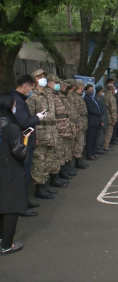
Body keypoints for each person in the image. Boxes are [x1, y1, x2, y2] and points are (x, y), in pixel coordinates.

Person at [0, 93, 30, 255]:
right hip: (9, 170)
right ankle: (7, 244)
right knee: (11, 207)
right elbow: (20, 152)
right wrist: (25, 140)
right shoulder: (11, 128)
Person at [11, 75, 44, 216]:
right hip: (21, 143)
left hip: (26, 142)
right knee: (22, 175)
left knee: (25, 173)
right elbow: (23, 122)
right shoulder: (17, 101)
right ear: (25, 86)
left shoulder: (20, 99)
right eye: (31, 88)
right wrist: (38, 118)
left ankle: (24, 201)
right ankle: (21, 206)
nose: (31, 91)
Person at [27, 69, 58, 198]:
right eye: (40, 76)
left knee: (48, 160)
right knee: (39, 161)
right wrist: (35, 136)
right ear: (34, 79)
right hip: (40, 132)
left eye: (44, 76)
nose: (43, 78)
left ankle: (44, 185)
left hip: (51, 132)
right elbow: (29, 119)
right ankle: (39, 188)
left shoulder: (48, 94)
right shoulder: (32, 96)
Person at [45, 74, 71, 188]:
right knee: (55, 154)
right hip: (55, 128)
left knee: (61, 152)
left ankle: (60, 173)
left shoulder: (58, 94)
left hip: (63, 128)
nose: (58, 85)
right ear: (49, 83)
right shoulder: (48, 94)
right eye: (55, 83)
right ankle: (54, 177)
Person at [70, 80, 89, 169]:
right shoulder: (75, 97)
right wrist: (78, 123)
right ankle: (77, 160)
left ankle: (79, 159)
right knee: (78, 142)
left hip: (82, 121)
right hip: (79, 122)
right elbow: (76, 112)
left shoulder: (78, 97)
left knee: (80, 142)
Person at [83, 85, 103, 160]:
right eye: (90, 89)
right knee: (90, 139)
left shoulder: (92, 98)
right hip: (91, 121)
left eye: (92, 89)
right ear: (86, 91)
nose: (91, 91)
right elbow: (91, 110)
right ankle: (89, 154)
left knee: (95, 138)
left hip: (96, 121)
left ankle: (93, 152)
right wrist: (99, 114)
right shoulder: (86, 99)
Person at [103, 84, 118, 152]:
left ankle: (104, 145)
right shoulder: (111, 97)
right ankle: (106, 146)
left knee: (104, 132)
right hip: (109, 117)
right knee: (109, 132)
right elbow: (113, 109)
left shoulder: (104, 96)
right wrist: (114, 119)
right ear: (112, 90)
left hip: (104, 116)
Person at [94, 86, 108, 154]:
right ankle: (99, 149)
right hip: (100, 119)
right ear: (99, 91)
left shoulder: (100, 98)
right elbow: (100, 110)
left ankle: (100, 147)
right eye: (102, 91)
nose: (102, 92)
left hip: (103, 118)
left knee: (101, 134)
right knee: (100, 135)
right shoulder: (98, 99)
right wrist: (101, 120)